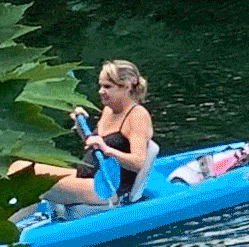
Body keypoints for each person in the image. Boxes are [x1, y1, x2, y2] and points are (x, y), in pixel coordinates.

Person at [13, 59, 158, 209]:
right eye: (101, 85)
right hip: (88, 177)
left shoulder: (137, 116)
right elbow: (94, 147)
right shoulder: (109, 110)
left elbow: (138, 163)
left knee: (29, 180)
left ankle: (12, 226)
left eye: (107, 86)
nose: (101, 91)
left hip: (107, 189)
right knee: (17, 167)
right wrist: (81, 127)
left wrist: (107, 150)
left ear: (126, 87)